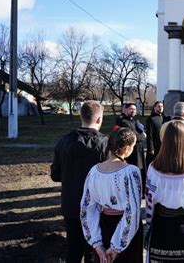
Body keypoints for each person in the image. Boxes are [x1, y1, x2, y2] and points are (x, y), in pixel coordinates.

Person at [50, 101, 108, 262]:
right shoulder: (105, 144)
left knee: (73, 249)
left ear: (81, 116)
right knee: (93, 250)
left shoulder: (64, 141)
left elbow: (55, 175)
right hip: (96, 208)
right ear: (99, 119)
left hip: (71, 205)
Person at [145, 120, 184, 262]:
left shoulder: (153, 168)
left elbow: (149, 200)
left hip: (160, 224)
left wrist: (149, 222)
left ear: (164, 141)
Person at [80, 128, 143, 262]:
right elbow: (132, 211)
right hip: (126, 230)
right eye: (133, 146)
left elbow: (87, 208)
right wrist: (116, 247)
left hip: (104, 226)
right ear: (126, 148)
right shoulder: (131, 172)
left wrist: (97, 244)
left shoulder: (94, 171)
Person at [116, 102, 147, 187]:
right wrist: (143, 136)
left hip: (138, 149)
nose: (133, 111)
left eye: (134, 109)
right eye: (131, 109)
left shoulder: (133, 120)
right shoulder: (123, 121)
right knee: (133, 170)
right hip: (131, 151)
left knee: (140, 170)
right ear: (126, 109)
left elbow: (137, 132)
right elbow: (132, 136)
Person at [146, 100, 166, 168]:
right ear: (154, 107)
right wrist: (151, 148)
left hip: (161, 144)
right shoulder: (151, 119)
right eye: (159, 106)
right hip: (154, 145)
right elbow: (149, 134)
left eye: (162, 106)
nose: (160, 108)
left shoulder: (163, 117)